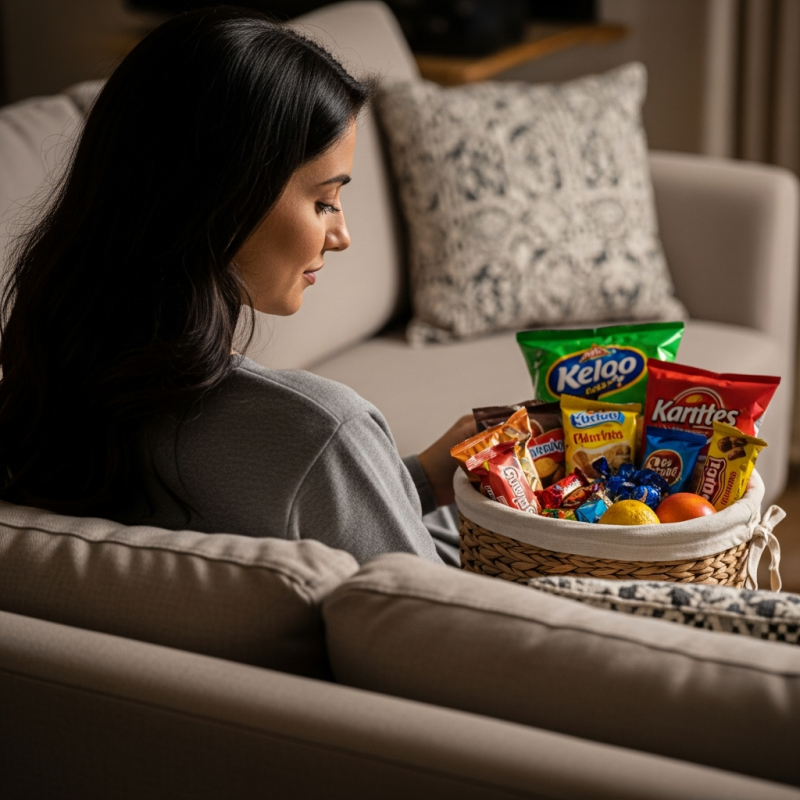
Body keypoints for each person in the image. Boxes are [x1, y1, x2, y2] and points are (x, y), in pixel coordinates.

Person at [0, 7, 475, 565]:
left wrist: (420, 480)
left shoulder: (47, 396)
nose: (342, 235)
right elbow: (433, 625)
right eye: (324, 201)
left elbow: (263, 520)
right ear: (223, 200)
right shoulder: (322, 434)